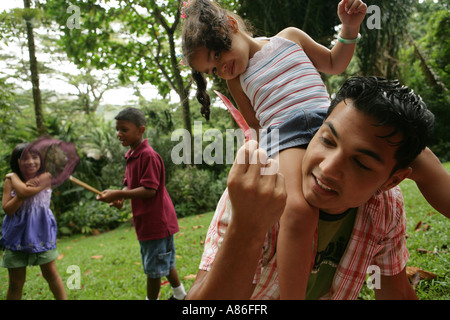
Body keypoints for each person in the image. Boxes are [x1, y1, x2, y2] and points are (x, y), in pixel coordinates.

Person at [186, 76, 437, 300]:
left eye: (360, 163)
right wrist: (246, 228)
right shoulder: (256, 193)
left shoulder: (386, 207)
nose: (327, 169)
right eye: (327, 140)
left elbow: (393, 289)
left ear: (391, 181)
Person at [181, 0, 368, 299]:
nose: (222, 68)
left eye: (217, 55)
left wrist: (350, 28)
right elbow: (255, 128)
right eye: (213, 69)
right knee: (298, 210)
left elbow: (335, 63)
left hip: (330, 123)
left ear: (231, 24)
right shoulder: (238, 81)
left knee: (414, 154)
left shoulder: (290, 37)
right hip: (285, 138)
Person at [96, 107, 186, 300]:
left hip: (157, 221)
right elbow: (130, 186)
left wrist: (118, 193)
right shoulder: (132, 155)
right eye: (117, 129)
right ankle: (180, 295)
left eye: (124, 129)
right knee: (165, 260)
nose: (119, 134)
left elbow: (149, 190)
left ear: (141, 130)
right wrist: (119, 199)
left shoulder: (148, 155)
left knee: (153, 269)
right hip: (147, 221)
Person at [1, 143, 67, 300]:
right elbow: (8, 209)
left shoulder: (45, 177)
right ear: (17, 161)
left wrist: (12, 177)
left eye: (35, 157)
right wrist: (18, 189)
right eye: (25, 158)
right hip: (16, 235)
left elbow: (24, 191)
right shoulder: (11, 181)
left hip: (41, 233)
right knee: (16, 282)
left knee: (51, 274)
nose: (30, 161)